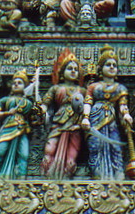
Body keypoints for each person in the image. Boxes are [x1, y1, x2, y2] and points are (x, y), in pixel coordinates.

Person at [81, 45, 132, 180]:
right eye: (108, 65)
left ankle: (118, 175)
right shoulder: (93, 87)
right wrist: (85, 118)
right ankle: (97, 174)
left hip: (111, 121)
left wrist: (126, 114)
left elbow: (123, 105)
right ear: (101, 69)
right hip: (95, 118)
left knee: (115, 147)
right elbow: (87, 102)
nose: (111, 67)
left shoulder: (120, 88)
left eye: (114, 65)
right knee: (95, 146)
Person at [41, 50, 86, 179]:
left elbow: (87, 107)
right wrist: (41, 110)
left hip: (76, 123)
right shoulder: (55, 88)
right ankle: (47, 174)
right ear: (61, 72)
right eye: (69, 68)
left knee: (72, 155)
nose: (73, 71)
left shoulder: (82, 91)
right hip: (58, 121)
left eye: (75, 69)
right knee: (50, 148)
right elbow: (46, 102)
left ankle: (67, 175)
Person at [0, 70, 36, 179]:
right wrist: (8, 113)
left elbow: (34, 120)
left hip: (22, 129)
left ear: (26, 86)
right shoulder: (5, 100)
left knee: (24, 155)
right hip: (7, 128)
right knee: (0, 151)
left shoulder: (29, 103)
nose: (16, 84)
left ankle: (21, 179)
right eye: (14, 83)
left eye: (20, 82)